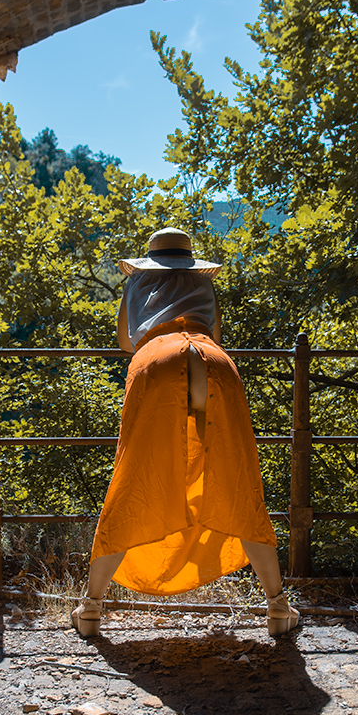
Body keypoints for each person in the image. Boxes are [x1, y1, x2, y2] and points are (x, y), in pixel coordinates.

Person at [70, 227, 300, 639]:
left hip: (157, 363)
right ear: (190, 260)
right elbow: (215, 334)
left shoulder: (136, 282)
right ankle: (278, 608)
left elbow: (127, 342)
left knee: (134, 479)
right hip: (213, 363)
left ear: (149, 260)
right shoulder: (204, 285)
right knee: (237, 480)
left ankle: (91, 608)